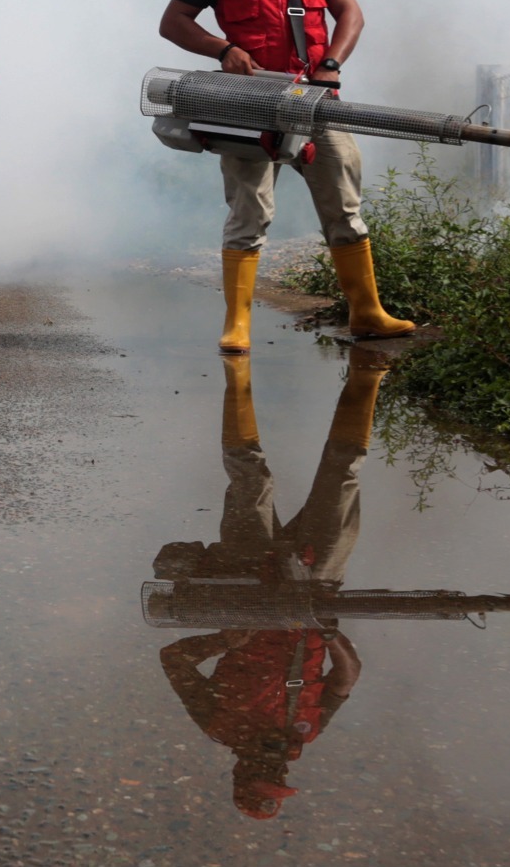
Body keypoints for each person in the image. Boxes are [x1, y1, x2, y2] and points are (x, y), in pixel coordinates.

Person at [157, 0, 414, 351]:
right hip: (251, 108)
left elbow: (351, 13)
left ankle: (367, 312)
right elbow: (173, 23)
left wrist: (333, 63)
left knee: (345, 208)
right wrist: (222, 50)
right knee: (248, 214)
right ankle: (238, 326)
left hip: (317, 103)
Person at [154, 350, 388, 819]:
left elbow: (173, 659)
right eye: (280, 780)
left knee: (250, 477)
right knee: (342, 475)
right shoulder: (307, 731)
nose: (278, 772)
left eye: (266, 775)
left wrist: (225, 638)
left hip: (245, 580)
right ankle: (371, 371)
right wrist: (330, 636)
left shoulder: (216, 724)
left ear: (241, 772)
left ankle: (235, 367)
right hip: (316, 589)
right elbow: (347, 677)